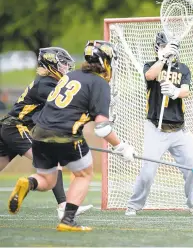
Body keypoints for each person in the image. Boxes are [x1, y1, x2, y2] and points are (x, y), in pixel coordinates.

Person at [8, 41, 135, 232]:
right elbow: (102, 128)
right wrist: (121, 147)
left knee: (48, 180)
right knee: (83, 174)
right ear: (105, 62)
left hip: (40, 132)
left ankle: (29, 182)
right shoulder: (99, 83)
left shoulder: (70, 76)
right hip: (66, 133)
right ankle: (67, 220)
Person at [0, 47, 92, 219]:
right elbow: (63, 108)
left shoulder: (47, 83)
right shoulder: (46, 85)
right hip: (16, 128)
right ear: (51, 65)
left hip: (11, 128)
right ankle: (64, 206)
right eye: (63, 64)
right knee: (52, 163)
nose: (66, 67)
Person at [126, 31, 193, 216]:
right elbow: (150, 76)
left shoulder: (183, 68)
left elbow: (185, 91)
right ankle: (134, 205)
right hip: (155, 128)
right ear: (157, 48)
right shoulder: (151, 65)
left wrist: (174, 91)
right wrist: (163, 58)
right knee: (148, 171)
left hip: (178, 129)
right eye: (162, 47)